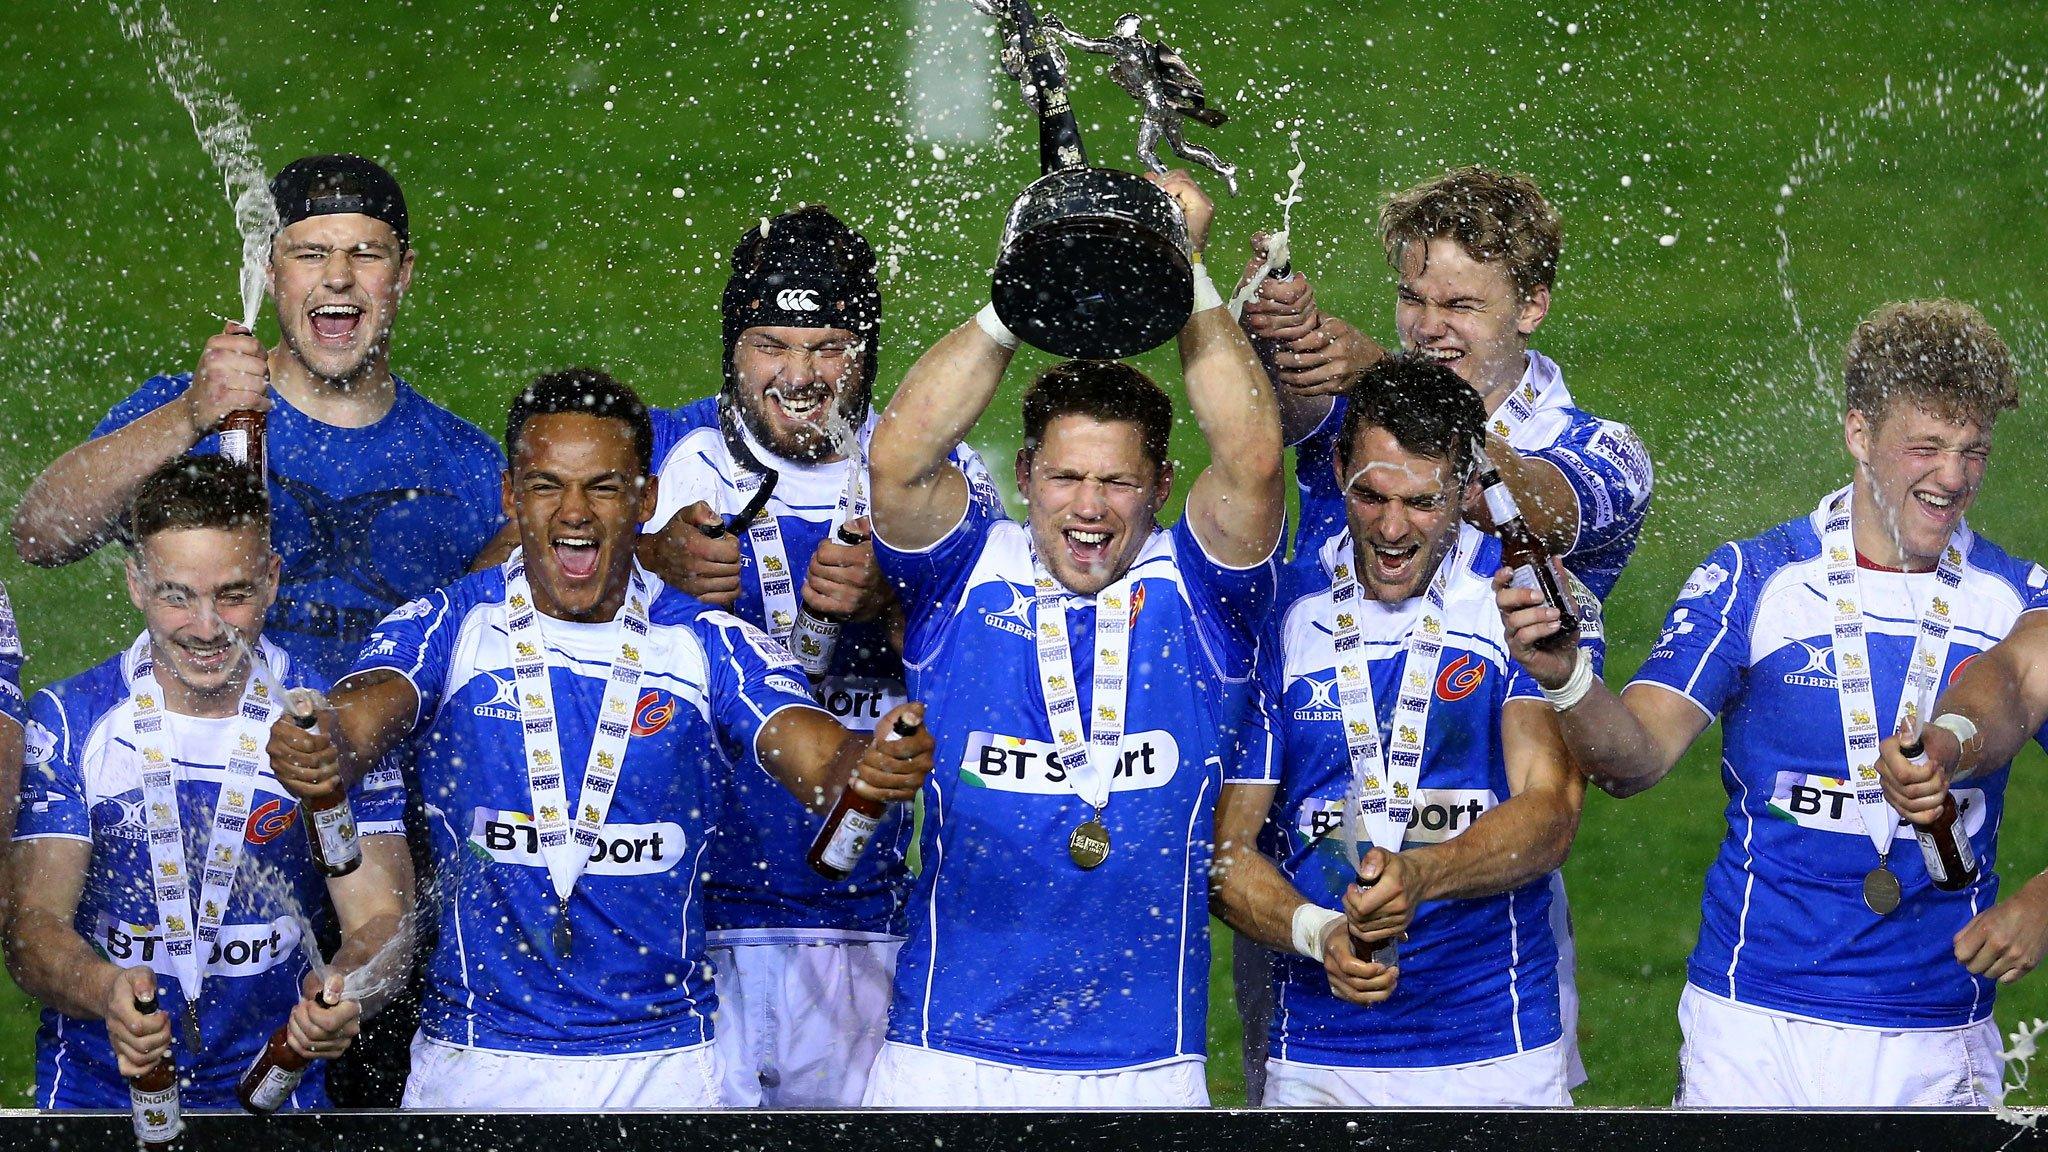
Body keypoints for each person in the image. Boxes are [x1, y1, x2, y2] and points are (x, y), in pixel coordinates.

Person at [264, 369, 936, 1109]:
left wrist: (867, 766)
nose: (574, 513)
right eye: (547, 486)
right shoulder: (449, 623)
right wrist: (321, 738)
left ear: (647, 500)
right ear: (510, 497)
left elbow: (814, 753)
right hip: (478, 1059)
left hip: (663, 1068)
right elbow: (363, 714)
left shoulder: (705, 641)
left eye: (605, 487)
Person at [1497, 299, 2032, 1107]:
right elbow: (1632, 758)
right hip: (1750, 1027)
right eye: (1925, 447)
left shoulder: (2017, 601)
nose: (1952, 478)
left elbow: (2018, 685)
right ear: (1858, 432)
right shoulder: (1758, 578)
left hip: (1935, 1033)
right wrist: (1567, 673)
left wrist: (2042, 903)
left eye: (1973, 452)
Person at [861, 170, 1283, 1107]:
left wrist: (1184, 265)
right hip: (946, 1059)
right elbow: (898, 456)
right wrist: (1020, 296)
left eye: (1118, 483)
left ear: (1162, 486)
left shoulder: (1199, 594)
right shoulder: (968, 571)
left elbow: (1252, 461)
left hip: (1143, 1071)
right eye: (1064, 479)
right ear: (1025, 474)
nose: (1089, 511)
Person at [1230, 164, 1650, 1098]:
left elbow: (1535, 516)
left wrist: (1383, 373)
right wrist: (1279, 340)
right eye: (1412, 299)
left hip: (1487, 922)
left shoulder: (1600, 446)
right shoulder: (1364, 412)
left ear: (1532, 306)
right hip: (1304, 887)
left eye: (1460, 303)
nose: (1429, 326)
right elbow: (1277, 434)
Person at [634, 206, 998, 1107]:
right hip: (685, 923)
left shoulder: (933, 480)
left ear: (868, 349)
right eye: (771, 343)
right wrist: (644, 558)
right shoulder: (653, 458)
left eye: (829, 345)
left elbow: (1003, 673)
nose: (800, 378)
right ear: (732, 346)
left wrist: (908, 589)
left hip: (867, 924)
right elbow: (506, 571)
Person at [1213, 356, 1593, 1106]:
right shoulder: (1277, 612)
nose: (1391, 529)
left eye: (1422, 502)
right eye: (1370, 496)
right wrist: (1318, 932)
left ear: (1468, 489)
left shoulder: (1524, 598)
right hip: (1316, 1056)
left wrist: (1422, 876)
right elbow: (1226, 854)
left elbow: (1550, 815)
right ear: (1337, 467)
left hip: (1496, 1048)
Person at [6, 455, 413, 1111]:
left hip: (276, 1098)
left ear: (273, 580)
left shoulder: (328, 725)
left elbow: (382, 920)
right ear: (136, 584)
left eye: (233, 595)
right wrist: (105, 991)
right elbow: (33, 930)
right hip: (102, 1096)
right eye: (176, 596)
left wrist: (347, 989)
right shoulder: (71, 719)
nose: (206, 628)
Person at [12, 153, 506, 684]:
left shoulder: (467, 463)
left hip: (384, 762)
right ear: (269, 273)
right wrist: (189, 417)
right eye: (310, 254)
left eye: (365, 254)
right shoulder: (179, 412)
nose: (338, 277)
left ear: (403, 273)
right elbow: (42, 536)